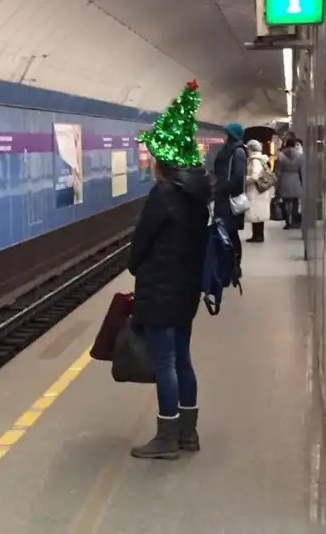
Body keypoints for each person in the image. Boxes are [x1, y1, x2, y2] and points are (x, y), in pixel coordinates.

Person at [129, 79, 211, 460]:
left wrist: (135, 265)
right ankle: (188, 433)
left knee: (165, 362)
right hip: (186, 289)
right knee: (182, 358)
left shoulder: (162, 194)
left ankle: (166, 437)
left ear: (163, 160)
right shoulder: (196, 195)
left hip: (160, 289)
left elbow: (141, 242)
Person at [212, 122, 247, 269]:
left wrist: (222, 187)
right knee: (225, 232)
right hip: (223, 198)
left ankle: (234, 267)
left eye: (227, 134)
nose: (224, 137)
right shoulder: (228, 150)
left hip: (230, 200)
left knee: (231, 233)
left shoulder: (238, 152)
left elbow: (238, 179)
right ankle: (227, 266)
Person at [244, 140, 272, 243]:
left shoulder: (255, 160)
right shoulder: (262, 158)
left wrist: (245, 180)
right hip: (261, 189)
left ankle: (257, 236)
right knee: (259, 213)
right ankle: (258, 235)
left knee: (256, 213)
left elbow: (255, 176)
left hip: (255, 190)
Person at [275, 137, 303, 229]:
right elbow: (301, 170)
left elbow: (277, 170)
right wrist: (302, 181)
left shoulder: (281, 155)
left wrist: (276, 182)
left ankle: (287, 222)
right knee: (295, 202)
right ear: (294, 145)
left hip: (284, 179)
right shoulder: (299, 156)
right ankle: (294, 220)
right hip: (295, 179)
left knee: (285, 202)